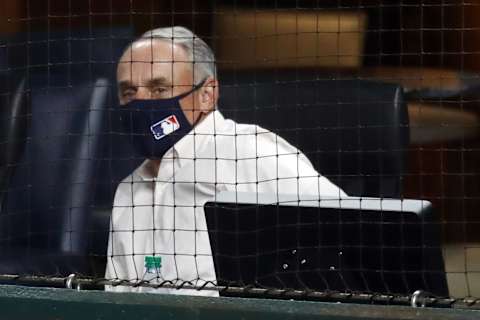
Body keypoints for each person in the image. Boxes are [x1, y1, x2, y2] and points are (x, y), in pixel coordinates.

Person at [105, 26, 347, 296]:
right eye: (128, 92)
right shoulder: (129, 190)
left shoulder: (252, 153)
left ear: (207, 94)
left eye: (159, 89)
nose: (140, 104)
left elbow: (352, 233)